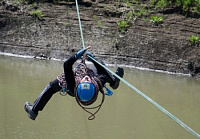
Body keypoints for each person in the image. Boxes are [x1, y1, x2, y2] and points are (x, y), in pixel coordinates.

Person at [24, 46, 124, 120]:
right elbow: (102, 72)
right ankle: (114, 82)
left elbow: (67, 65)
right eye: (87, 80)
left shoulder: (72, 84)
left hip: (72, 90)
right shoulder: (97, 83)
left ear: (78, 85)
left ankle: (34, 110)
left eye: (85, 80)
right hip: (83, 89)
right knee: (102, 70)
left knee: (52, 86)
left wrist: (76, 56)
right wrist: (94, 60)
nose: (85, 77)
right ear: (93, 85)